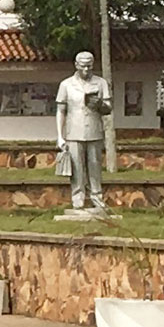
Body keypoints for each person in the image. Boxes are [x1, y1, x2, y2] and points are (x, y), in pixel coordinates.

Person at [53, 51, 111, 212]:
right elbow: (61, 111)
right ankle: (77, 198)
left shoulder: (100, 83)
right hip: (73, 132)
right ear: (76, 65)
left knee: (94, 166)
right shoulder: (66, 85)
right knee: (76, 168)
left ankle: (96, 197)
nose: (86, 70)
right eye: (83, 66)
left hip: (94, 130)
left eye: (89, 66)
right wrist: (60, 136)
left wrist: (99, 104)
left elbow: (108, 108)